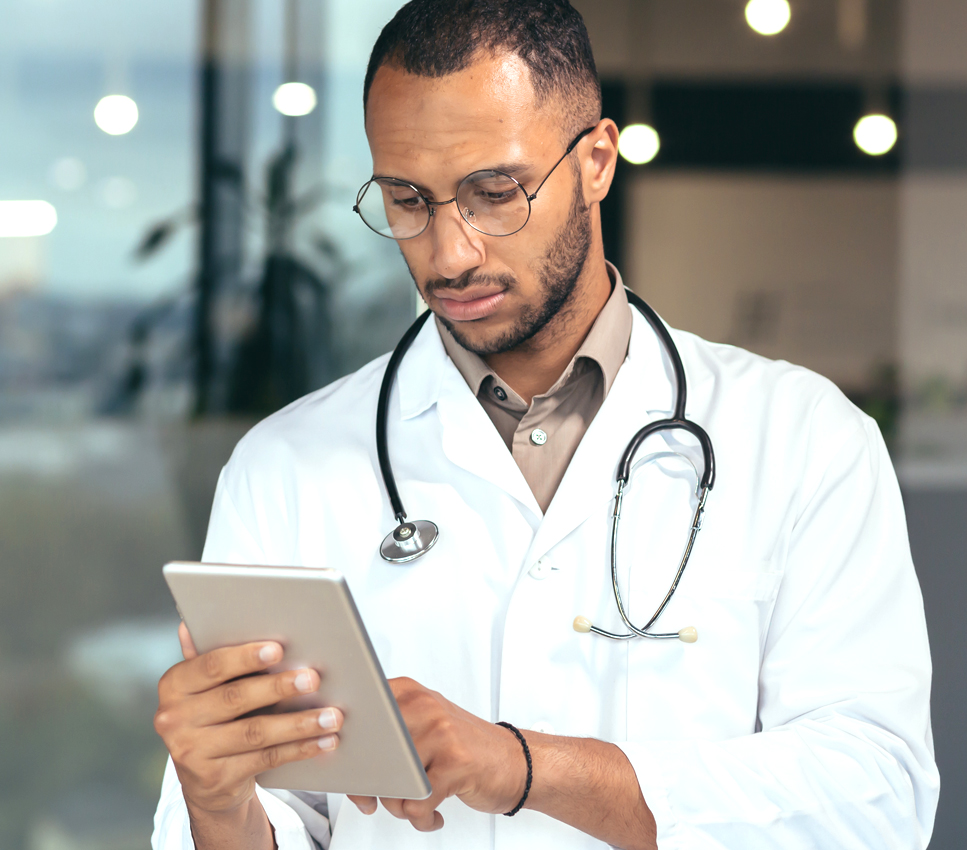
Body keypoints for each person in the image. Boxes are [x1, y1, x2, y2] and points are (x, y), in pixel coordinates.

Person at [151, 1, 939, 848]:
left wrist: (526, 768)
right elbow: (271, 822)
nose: (448, 253)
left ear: (595, 161)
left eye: (495, 194)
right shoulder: (284, 467)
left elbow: (878, 800)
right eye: (405, 200)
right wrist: (217, 802)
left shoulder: (803, 439)